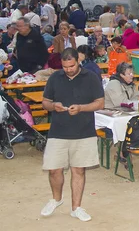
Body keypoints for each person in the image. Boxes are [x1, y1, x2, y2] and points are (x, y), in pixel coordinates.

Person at [40, 48, 104, 222]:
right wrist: (54, 106)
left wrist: (82, 108)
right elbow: (45, 102)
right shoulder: (54, 78)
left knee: (79, 170)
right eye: (65, 66)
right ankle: (56, 199)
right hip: (58, 131)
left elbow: (100, 102)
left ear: (78, 61)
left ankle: (76, 208)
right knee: (54, 170)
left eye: (71, 65)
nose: (68, 69)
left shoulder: (90, 77)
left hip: (84, 131)